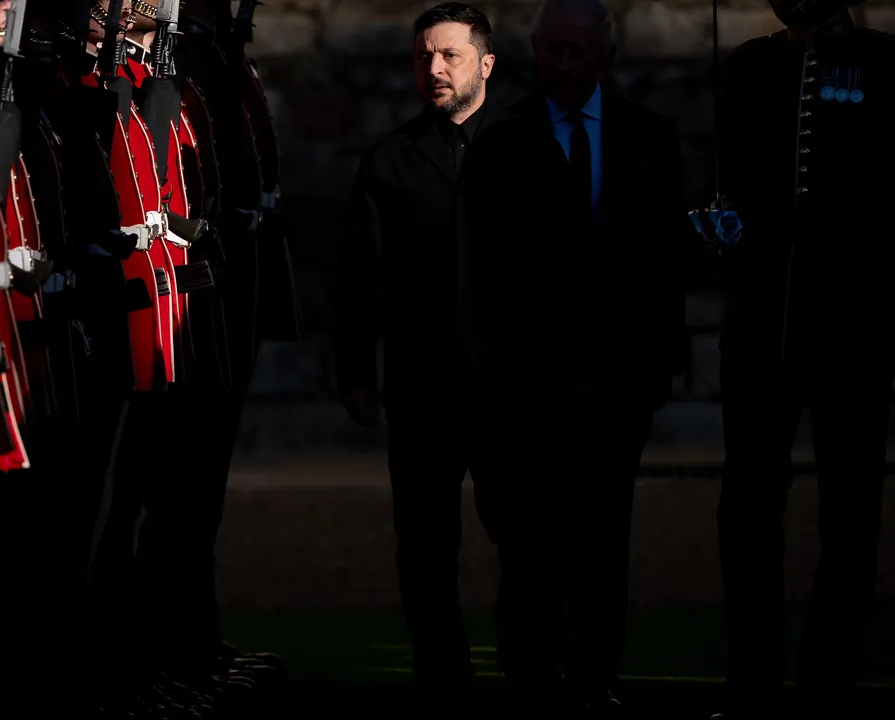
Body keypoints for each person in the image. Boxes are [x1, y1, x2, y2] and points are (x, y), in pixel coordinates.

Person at [459, 0, 688, 715]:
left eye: (576, 52)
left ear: (603, 57)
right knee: (529, 538)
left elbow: (663, 264)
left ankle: (595, 675)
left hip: (618, 379)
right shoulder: (500, 139)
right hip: (528, 381)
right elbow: (482, 268)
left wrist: (651, 366)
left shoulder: (651, 137)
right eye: (551, 49)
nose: (561, 64)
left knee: (602, 534)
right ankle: (530, 677)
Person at [700, 1, 895, 717]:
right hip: (762, 326)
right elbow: (724, 179)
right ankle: (750, 681)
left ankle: (829, 685)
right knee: (747, 508)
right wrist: (719, 226)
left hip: (854, 327)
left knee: (851, 513)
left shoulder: (881, 64)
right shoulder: (749, 67)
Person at [334, 2, 497, 710]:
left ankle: (535, 674)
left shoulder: (526, 148)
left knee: (528, 540)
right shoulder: (390, 159)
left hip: (509, 388)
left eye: (450, 55)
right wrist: (355, 374)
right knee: (426, 549)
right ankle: (441, 679)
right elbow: (358, 278)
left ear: (486, 63)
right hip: (422, 387)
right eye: (424, 56)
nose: (434, 69)